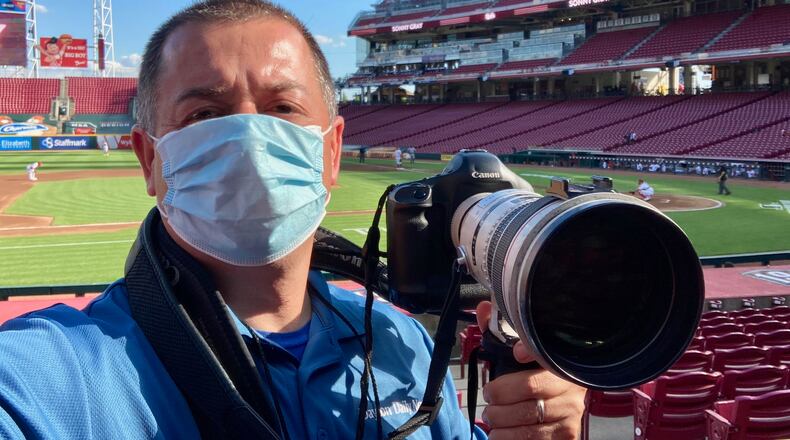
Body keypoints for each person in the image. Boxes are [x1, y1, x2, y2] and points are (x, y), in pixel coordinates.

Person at [0, 1, 586, 439]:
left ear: (330, 153)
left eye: (283, 109)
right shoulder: (52, 375)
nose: (251, 139)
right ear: (151, 159)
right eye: (205, 113)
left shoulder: (402, 341)